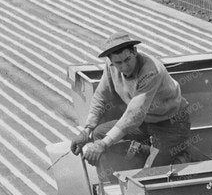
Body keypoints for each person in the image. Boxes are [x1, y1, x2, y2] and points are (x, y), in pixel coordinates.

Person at [70, 34, 192, 173]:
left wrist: (103, 144)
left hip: (171, 124)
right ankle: (114, 180)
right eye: (118, 63)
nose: (124, 66)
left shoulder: (151, 71)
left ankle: (180, 156)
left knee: (150, 175)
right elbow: (101, 96)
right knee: (99, 133)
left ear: (134, 51)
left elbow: (135, 114)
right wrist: (87, 130)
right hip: (145, 122)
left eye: (127, 59)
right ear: (111, 61)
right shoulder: (111, 66)